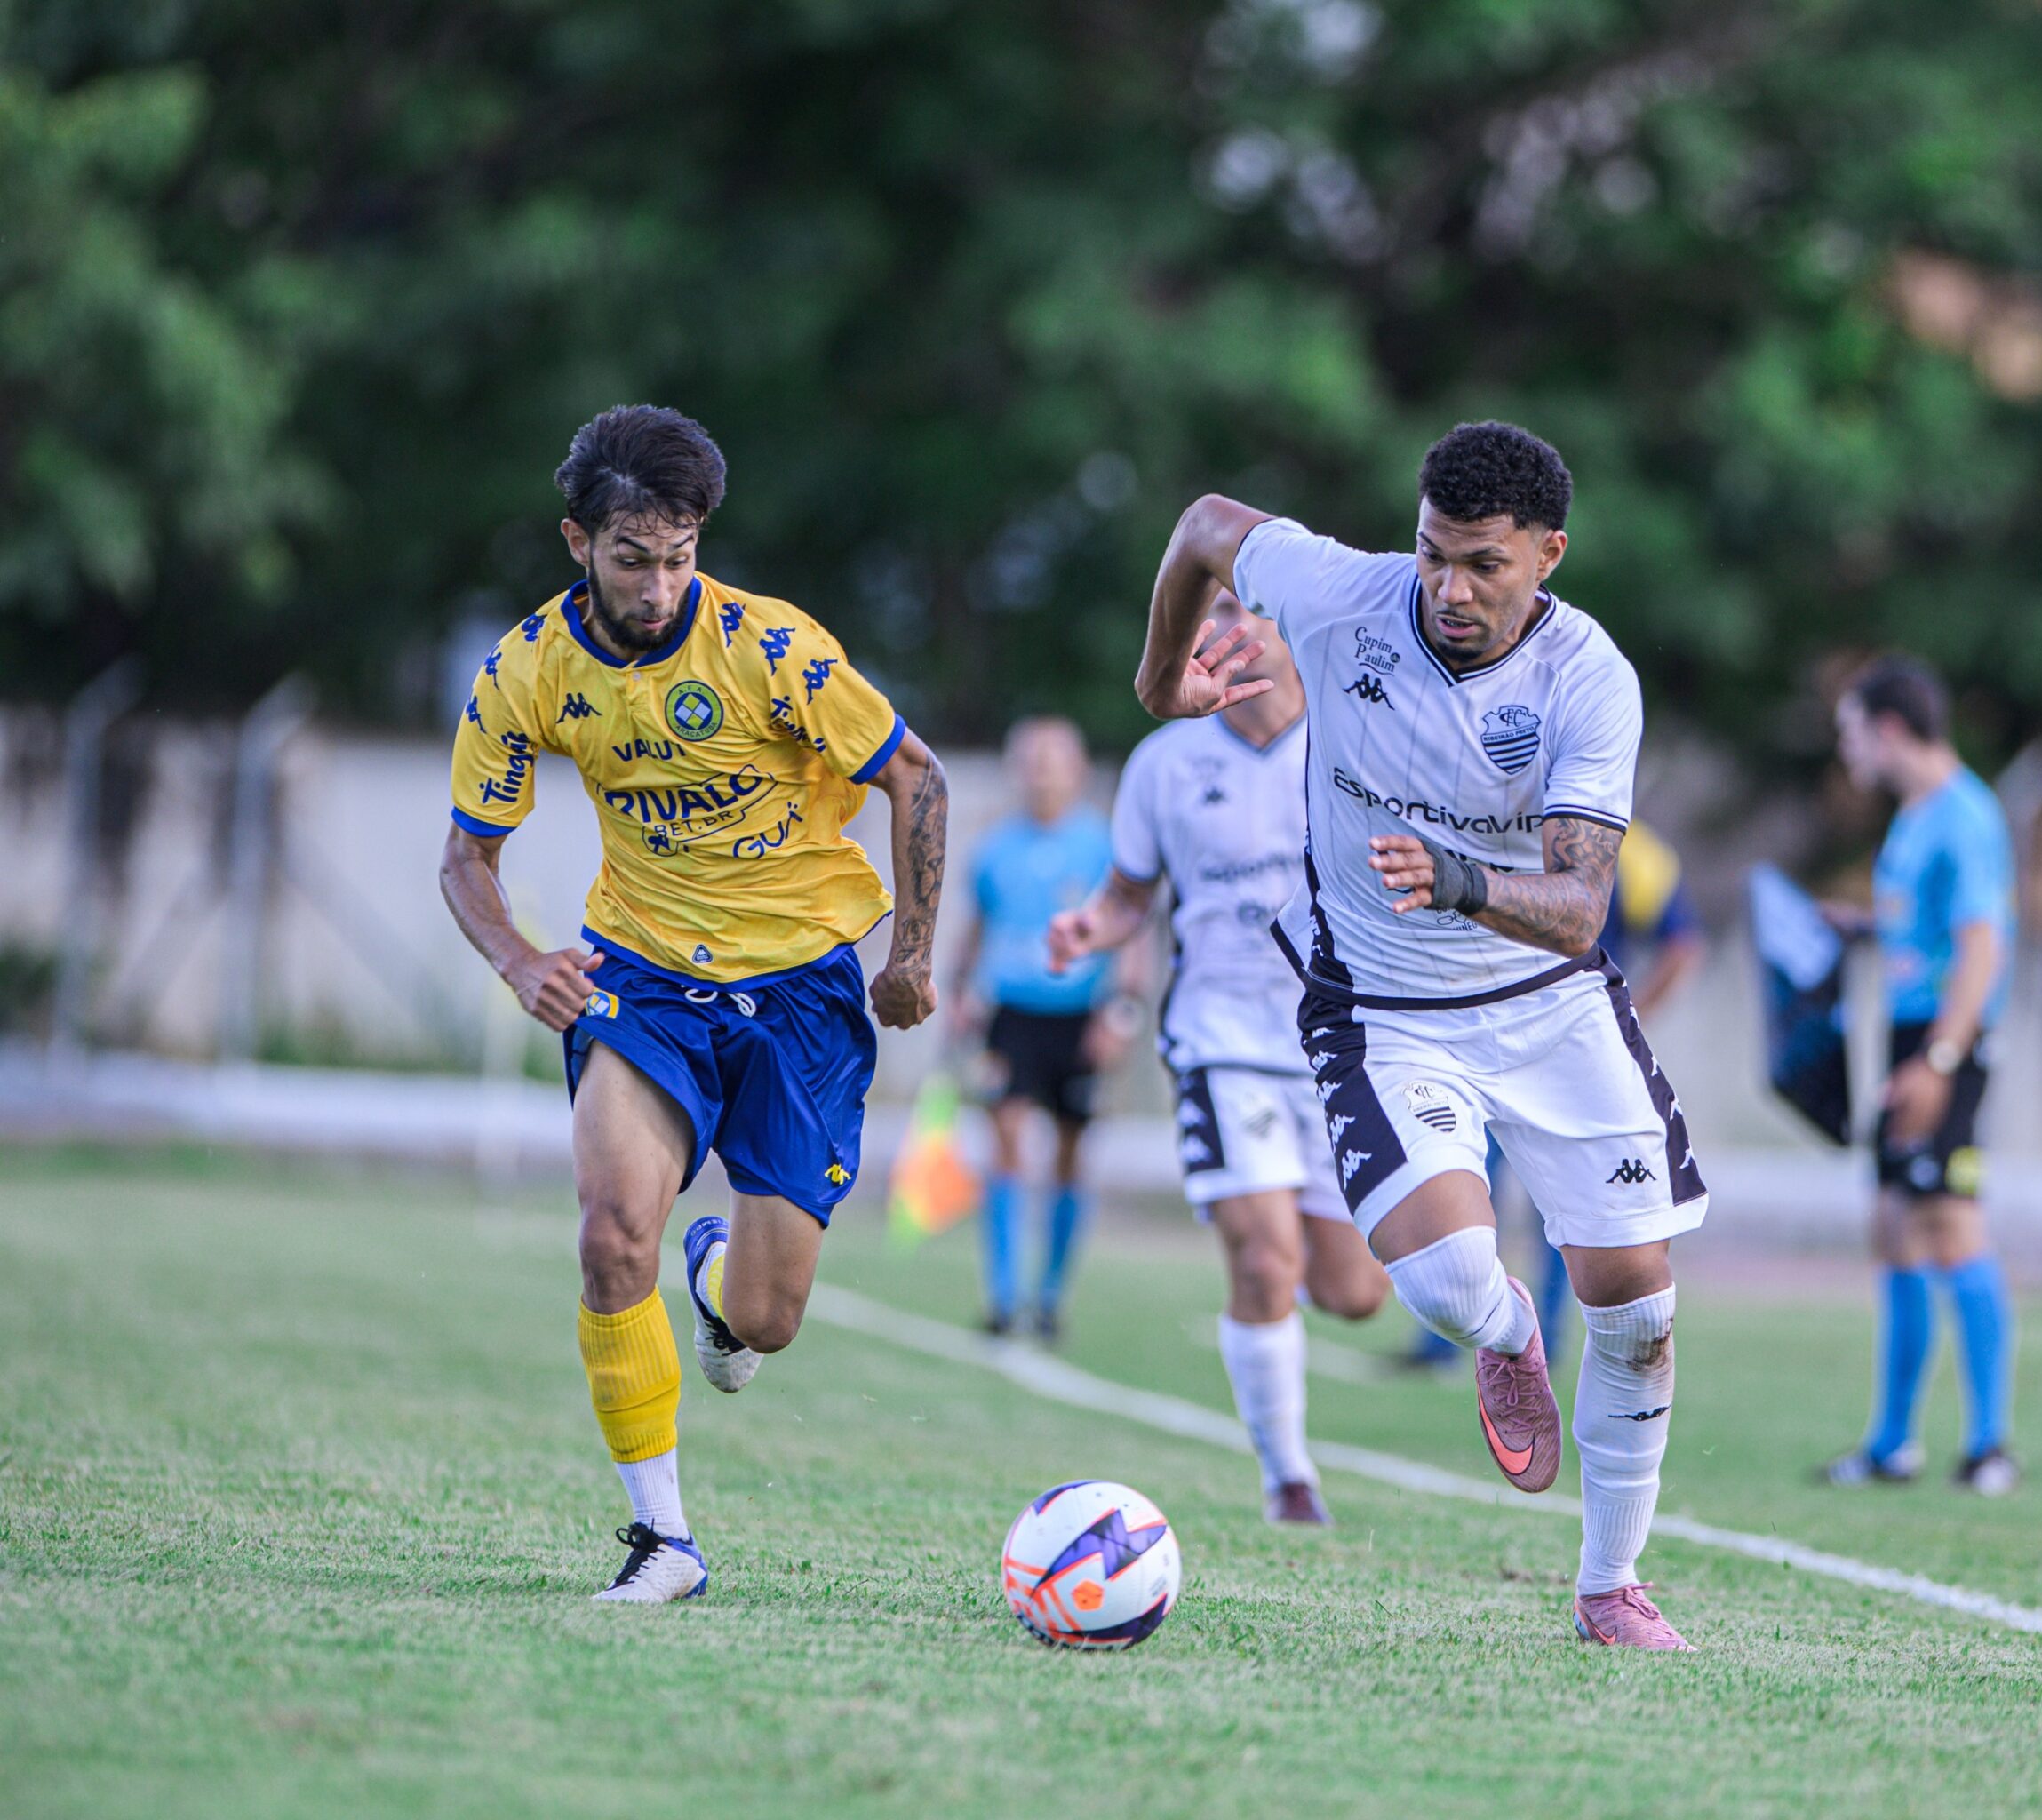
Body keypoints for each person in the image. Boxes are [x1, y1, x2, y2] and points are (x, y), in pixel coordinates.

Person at [1137, 420, 1709, 1649]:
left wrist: (1459, 880)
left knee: (1637, 1310)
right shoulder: (1340, 593)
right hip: (1381, 1010)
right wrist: (1158, 678)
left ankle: (1610, 1586)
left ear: (1548, 555)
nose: (1450, 587)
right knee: (1448, 1285)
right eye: (1433, 554)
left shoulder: (1588, 679)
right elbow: (1203, 526)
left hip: (1551, 1004)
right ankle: (1506, 1335)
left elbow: (1582, 910)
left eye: (1484, 565)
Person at [440, 405, 947, 1602]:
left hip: (802, 987)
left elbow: (915, 774)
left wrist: (912, 954)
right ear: (578, 542)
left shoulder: (772, 649)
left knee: (767, 1323)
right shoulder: (525, 672)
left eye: (680, 557)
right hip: (644, 975)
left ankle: (721, 1285)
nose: (660, 586)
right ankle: (663, 1538)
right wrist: (519, 960)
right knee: (614, 1229)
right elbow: (466, 860)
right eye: (633, 559)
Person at [1049, 593, 1389, 1524]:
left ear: (1288, 620)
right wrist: (1091, 927)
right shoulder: (1165, 762)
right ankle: (1289, 1478)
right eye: (1201, 613)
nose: (1217, 627)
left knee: (1354, 1292)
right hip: (1220, 1041)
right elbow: (1128, 896)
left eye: (1238, 606)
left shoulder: (1357, 743)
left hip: (1342, 1047)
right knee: (1265, 1259)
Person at [1406, 819, 1706, 1370]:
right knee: (1468, 1189)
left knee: (1568, 1211)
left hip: (1570, 1055)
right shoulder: (1507, 827)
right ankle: (1466, 1340)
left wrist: (1629, 1017)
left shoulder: (1638, 855)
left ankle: (1541, 1341)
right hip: (1488, 1041)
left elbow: (1683, 946)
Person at [1823, 655, 2019, 1496]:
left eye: (1851, 733)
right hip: (1912, 1033)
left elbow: (1982, 946)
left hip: (1949, 1040)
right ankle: (1892, 1445)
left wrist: (1940, 1060)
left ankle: (1989, 1448)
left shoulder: (1967, 815)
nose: (1847, 751)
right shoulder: (1916, 816)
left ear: (1891, 729)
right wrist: (1864, 929)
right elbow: (1930, 929)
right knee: (1894, 1226)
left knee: (1950, 1224)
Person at [949, 717, 1131, 1338]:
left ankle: (1050, 1297)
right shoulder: (995, 847)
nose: (1041, 773)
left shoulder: (1104, 846)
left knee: (1071, 1152)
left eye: (1053, 761)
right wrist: (958, 992)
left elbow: (1133, 933)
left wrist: (1122, 1011)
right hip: (1011, 1015)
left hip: (1081, 1016)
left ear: (1077, 770)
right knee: (1004, 1137)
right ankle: (1004, 1298)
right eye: (1031, 761)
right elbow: (977, 927)